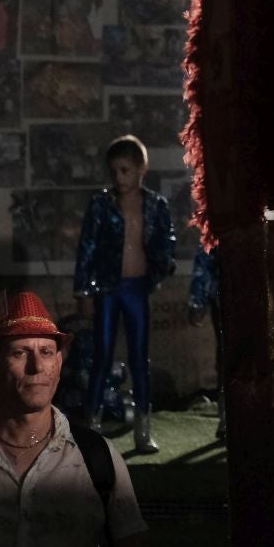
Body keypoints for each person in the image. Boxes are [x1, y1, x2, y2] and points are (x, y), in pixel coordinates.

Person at [0, 290, 153, 547]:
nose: (36, 368)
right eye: (19, 352)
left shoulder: (95, 457)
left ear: (59, 363)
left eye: (46, 352)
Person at [74, 134, 176, 452]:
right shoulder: (101, 204)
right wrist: (85, 292)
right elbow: (87, 248)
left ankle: (143, 432)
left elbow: (165, 242)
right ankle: (92, 424)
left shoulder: (157, 205)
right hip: (107, 289)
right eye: (114, 171)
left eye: (125, 170)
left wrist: (161, 270)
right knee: (102, 355)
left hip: (136, 290)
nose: (119, 177)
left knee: (138, 359)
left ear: (141, 167)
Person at [187, 236, 225, 440]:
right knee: (226, 354)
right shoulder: (221, 209)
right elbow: (207, 247)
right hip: (224, 292)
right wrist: (198, 299)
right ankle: (227, 416)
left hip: (257, 290)